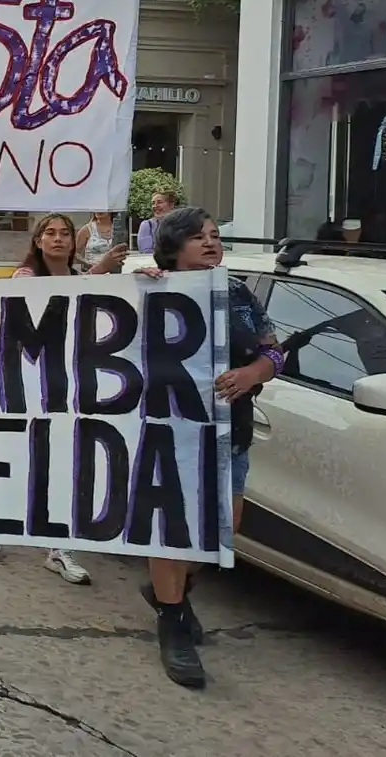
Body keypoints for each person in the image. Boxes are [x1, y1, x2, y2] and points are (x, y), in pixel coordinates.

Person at [133, 206, 281, 690]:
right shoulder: (149, 288)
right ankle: (172, 621)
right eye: (198, 237)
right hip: (168, 433)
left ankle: (166, 589)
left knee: (222, 532)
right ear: (173, 247)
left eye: (215, 235)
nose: (211, 243)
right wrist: (139, 282)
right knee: (173, 529)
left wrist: (254, 373)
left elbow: (272, 349)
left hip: (228, 433)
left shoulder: (237, 292)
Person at [0, 214, 129, 578]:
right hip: (27, 381)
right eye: (51, 233)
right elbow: (40, 308)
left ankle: (60, 548)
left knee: (67, 462)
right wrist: (99, 270)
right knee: (21, 455)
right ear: (38, 241)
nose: (58, 239)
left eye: (64, 233)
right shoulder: (25, 276)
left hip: (71, 384)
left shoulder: (82, 279)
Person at [136, 189, 178, 254]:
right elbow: (146, 251)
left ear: (171, 205)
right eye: (153, 203)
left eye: (159, 202)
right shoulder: (147, 225)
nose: (155, 206)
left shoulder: (180, 224)